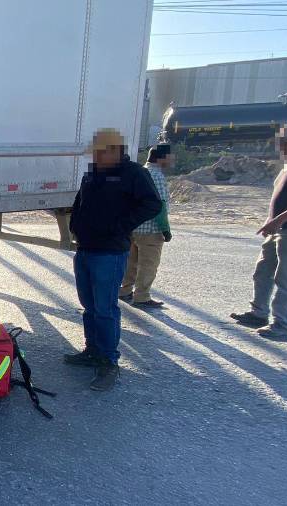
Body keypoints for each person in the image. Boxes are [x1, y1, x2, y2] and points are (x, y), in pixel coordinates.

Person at [65, 128, 162, 391]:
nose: (95, 156)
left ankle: (109, 362)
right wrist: (75, 226)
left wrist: (122, 226)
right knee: (89, 305)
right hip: (85, 249)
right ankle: (92, 351)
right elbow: (80, 203)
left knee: (106, 309)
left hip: (110, 252)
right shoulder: (94, 173)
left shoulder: (133, 174)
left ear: (114, 151)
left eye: (99, 152)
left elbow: (153, 204)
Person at [231, 123, 287, 340]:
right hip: (278, 228)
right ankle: (258, 313)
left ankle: (282, 324)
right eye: (281, 140)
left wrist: (278, 220)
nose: (281, 144)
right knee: (263, 272)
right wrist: (271, 220)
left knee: (286, 279)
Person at [119, 143, 173, 308]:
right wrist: (165, 229)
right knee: (148, 264)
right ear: (162, 157)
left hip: (133, 227)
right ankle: (142, 296)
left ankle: (124, 290)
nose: (172, 160)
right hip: (151, 229)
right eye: (171, 156)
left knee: (131, 262)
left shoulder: (139, 172)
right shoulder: (157, 176)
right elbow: (160, 206)